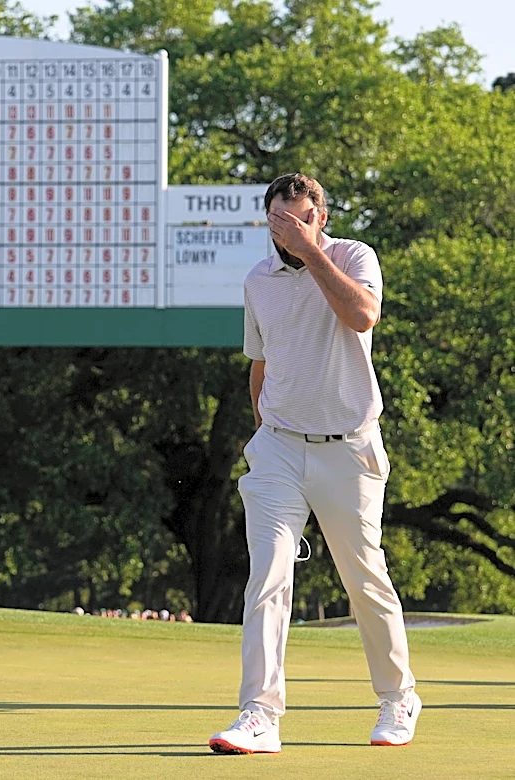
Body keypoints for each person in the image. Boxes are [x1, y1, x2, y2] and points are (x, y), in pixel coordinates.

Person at [209, 173, 420, 755]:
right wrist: (263, 428)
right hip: (278, 447)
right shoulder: (258, 280)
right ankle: (259, 713)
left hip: (349, 447)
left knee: (363, 580)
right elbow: (261, 361)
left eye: (298, 221)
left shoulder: (354, 256)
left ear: (320, 218)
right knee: (268, 578)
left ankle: (397, 698)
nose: (286, 234)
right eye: (277, 223)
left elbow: (362, 316)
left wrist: (310, 254)